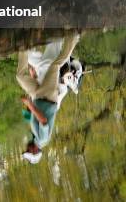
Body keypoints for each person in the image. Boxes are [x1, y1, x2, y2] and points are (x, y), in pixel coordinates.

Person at [17, 33, 80, 164]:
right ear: (34, 151)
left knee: (20, 77)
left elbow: (37, 114)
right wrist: (29, 105)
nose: (26, 148)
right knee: (55, 65)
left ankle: (22, 46)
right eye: (28, 151)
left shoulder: (36, 138)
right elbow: (44, 120)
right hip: (48, 96)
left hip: (38, 95)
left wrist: (34, 79)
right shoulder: (42, 140)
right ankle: (73, 37)